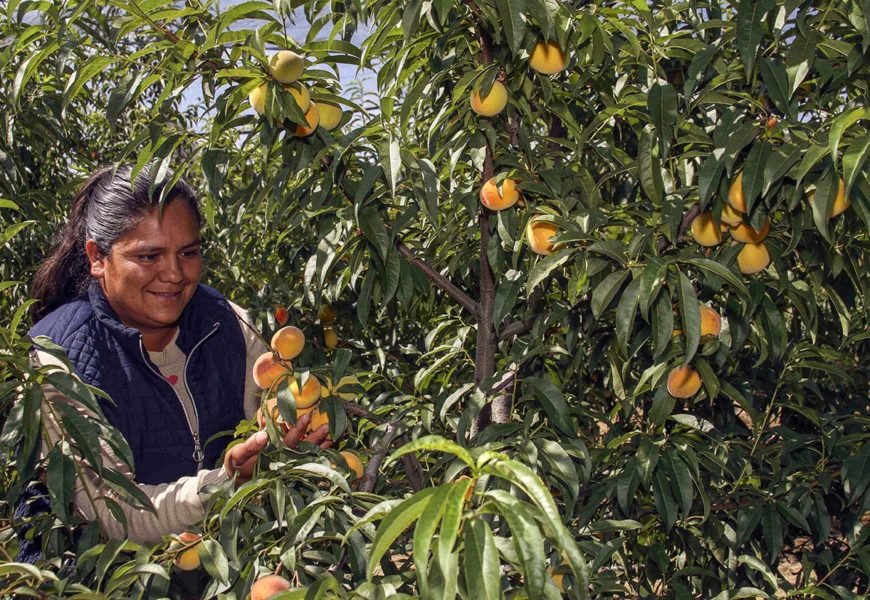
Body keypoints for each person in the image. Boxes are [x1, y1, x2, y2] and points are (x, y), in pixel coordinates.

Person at [23, 164, 329, 546]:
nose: (174, 273)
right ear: (98, 258)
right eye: (149, 256)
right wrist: (226, 481)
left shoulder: (226, 323)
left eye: (188, 252)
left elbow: (269, 419)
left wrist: (294, 437)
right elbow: (113, 513)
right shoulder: (58, 358)